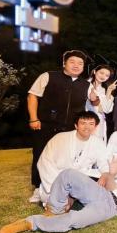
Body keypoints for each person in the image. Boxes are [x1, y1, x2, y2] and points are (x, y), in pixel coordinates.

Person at [27, 49, 90, 192]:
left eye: (80, 63)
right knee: (41, 155)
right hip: (46, 125)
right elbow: (32, 96)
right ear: (64, 63)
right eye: (72, 62)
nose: (76, 65)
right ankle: (38, 187)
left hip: (70, 129)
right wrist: (33, 118)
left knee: (66, 158)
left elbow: (93, 105)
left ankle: (64, 187)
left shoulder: (86, 85)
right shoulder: (48, 76)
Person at [32, 111, 110, 205]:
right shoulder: (59, 138)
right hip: (57, 180)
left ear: (95, 127)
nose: (87, 127)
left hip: (80, 179)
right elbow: (44, 162)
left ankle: (75, 197)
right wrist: (59, 187)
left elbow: (104, 162)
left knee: (104, 184)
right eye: (83, 123)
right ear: (76, 125)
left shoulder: (98, 143)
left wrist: (105, 174)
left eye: (91, 124)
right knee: (57, 203)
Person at [86, 64, 117, 142]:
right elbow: (91, 101)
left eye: (107, 75)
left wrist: (109, 91)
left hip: (99, 120)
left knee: (96, 143)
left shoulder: (104, 89)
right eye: (101, 73)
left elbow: (107, 110)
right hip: (85, 118)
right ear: (95, 71)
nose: (103, 76)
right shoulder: (85, 84)